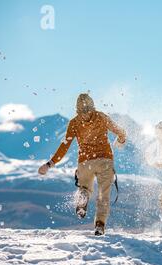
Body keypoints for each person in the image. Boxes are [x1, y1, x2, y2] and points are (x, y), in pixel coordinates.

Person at [38, 93, 126, 236]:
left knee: (84, 188)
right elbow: (121, 132)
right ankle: (99, 225)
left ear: (77, 108)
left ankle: (83, 197)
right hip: (105, 160)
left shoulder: (74, 122)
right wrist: (120, 140)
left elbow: (64, 146)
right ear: (92, 105)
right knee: (103, 194)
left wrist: (49, 164)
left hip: (85, 163)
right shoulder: (101, 117)